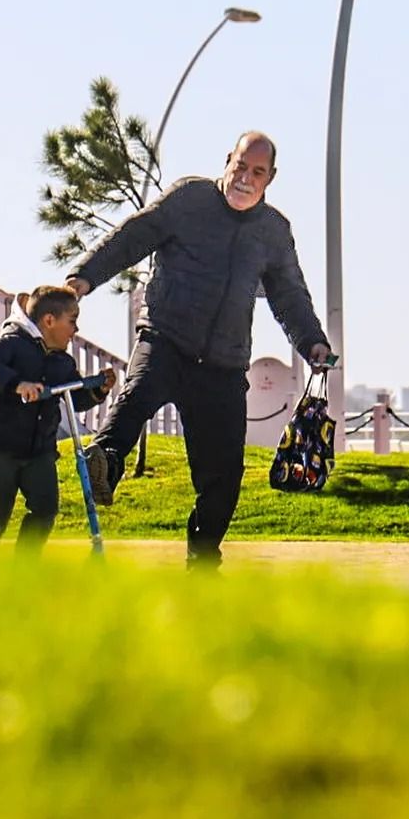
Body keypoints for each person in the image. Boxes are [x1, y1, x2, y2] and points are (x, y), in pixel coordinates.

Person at [65, 131, 332, 568]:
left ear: (271, 178)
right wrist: (84, 277)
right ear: (228, 160)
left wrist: (312, 343)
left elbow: (290, 296)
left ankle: (203, 559)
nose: (245, 178)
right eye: (240, 166)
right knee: (135, 399)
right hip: (165, 339)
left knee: (224, 477)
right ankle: (105, 465)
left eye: (257, 172)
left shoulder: (272, 231)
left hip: (224, 365)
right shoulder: (189, 199)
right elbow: (131, 237)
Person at [0, 285, 116, 553]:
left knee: (45, 509)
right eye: (72, 322)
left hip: (40, 450)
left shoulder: (62, 362)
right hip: (1, 445)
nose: (76, 330)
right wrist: (17, 384)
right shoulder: (13, 343)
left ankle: (24, 571)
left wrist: (98, 390)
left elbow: (75, 399)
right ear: (49, 320)